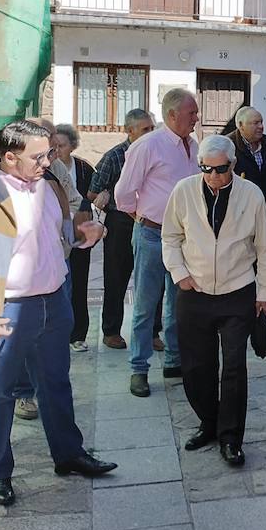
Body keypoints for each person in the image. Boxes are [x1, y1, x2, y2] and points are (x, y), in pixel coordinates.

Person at [0, 120, 114, 506]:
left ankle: (68, 454)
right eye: (39, 156)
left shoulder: (47, 186)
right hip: (7, 308)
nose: (48, 161)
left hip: (53, 301)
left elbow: (57, 238)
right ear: (9, 157)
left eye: (50, 154)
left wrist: (81, 237)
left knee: (56, 383)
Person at [162, 135, 266, 468]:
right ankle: (207, 423)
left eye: (220, 169)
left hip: (237, 290)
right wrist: (179, 272)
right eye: (206, 169)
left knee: (235, 368)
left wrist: (264, 293)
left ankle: (231, 438)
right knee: (196, 366)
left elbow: (265, 248)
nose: (213, 176)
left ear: (233, 165)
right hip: (193, 291)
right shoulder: (183, 191)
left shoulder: (251, 195)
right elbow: (170, 237)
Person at [115, 88, 199, 397]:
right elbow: (123, 193)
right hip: (151, 234)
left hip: (183, 238)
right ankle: (139, 368)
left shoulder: (194, 145)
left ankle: (174, 361)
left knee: (178, 302)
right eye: (192, 113)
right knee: (145, 305)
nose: (197, 118)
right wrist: (142, 215)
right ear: (173, 115)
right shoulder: (148, 145)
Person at [88, 108, 155, 350]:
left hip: (151, 222)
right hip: (121, 223)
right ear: (130, 131)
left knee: (152, 278)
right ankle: (111, 331)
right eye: (144, 129)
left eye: (152, 129)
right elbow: (93, 191)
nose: (150, 133)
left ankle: (154, 331)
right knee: (116, 278)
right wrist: (106, 195)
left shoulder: (157, 152)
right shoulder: (114, 156)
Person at [53, 124, 97, 353]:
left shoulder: (82, 167)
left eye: (62, 145)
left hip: (79, 235)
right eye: (55, 145)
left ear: (72, 146)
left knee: (79, 285)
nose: (58, 150)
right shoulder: (50, 168)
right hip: (59, 239)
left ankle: (78, 334)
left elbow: (89, 196)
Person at [226, 106, 266, 214]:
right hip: (239, 209)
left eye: (261, 122)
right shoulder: (228, 144)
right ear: (241, 125)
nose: (261, 126)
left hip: (264, 205)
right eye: (255, 123)